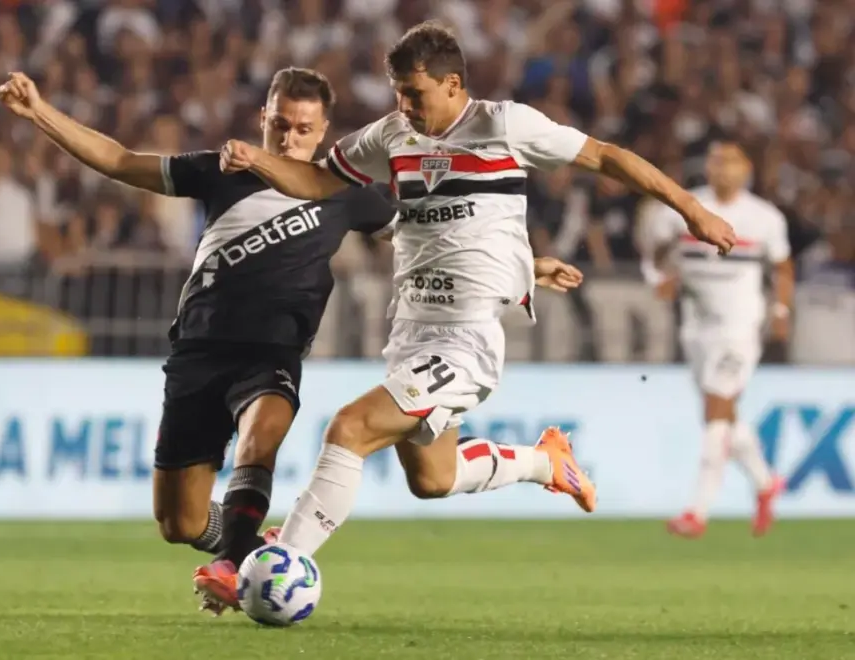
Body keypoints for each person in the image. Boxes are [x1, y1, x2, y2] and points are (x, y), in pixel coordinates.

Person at [198, 20, 738, 609]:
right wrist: (260, 162)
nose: (405, 107)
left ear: (453, 84)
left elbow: (606, 157)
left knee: (349, 428)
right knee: (433, 478)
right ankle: (545, 462)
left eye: (415, 94)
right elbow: (320, 182)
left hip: (466, 341)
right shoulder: (391, 134)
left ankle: (274, 562)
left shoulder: (505, 125)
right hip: (410, 330)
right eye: (398, 94)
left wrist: (691, 210)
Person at [0, 67, 403, 613]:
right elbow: (119, 161)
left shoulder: (344, 193)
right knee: (178, 522)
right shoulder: (220, 172)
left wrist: (503, 268)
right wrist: (39, 111)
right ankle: (250, 546)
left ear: (324, 130)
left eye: (304, 129)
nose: (289, 138)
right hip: (199, 352)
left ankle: (233, 565)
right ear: (263, 118)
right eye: (280, 125)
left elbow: (424, 229)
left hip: (271, 352)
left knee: (261, 437)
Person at [645, 140, 791, 538]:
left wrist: (781, 310)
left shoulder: (764, 217)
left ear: (746, 170)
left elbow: (783, 267)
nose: (724, 169)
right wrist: (659, 278)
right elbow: (655, 251)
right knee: (722, 415)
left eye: (731, 162)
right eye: (717, 162)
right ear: (707, 169)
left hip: (740, 326)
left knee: (716, 408)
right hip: (697, 326)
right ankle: (765, 483)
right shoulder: (682, 209)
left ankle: (697, 511)